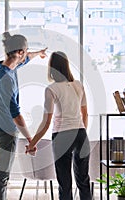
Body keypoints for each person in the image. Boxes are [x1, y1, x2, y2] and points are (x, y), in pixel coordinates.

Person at [26, 51, 92, 200]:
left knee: (65, 184)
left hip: (62, 136)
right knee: (83, 181)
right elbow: (85, 114)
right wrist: (81, 133)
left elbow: (46, 122)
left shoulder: (51, 89)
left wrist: (32, 144)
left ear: (52, 68)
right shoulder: (78, 85)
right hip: (81, 134)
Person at [0, 32, 47, 200]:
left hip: (0, 128)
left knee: (2, 174)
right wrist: (31, 140)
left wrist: (39, 53)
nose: (27, 53)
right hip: (5, 132)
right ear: (19, 52)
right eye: (26, 50)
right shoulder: (5, 78)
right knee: (1, 176)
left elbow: (27, 57)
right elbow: (16, 114)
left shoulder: (5, 67)